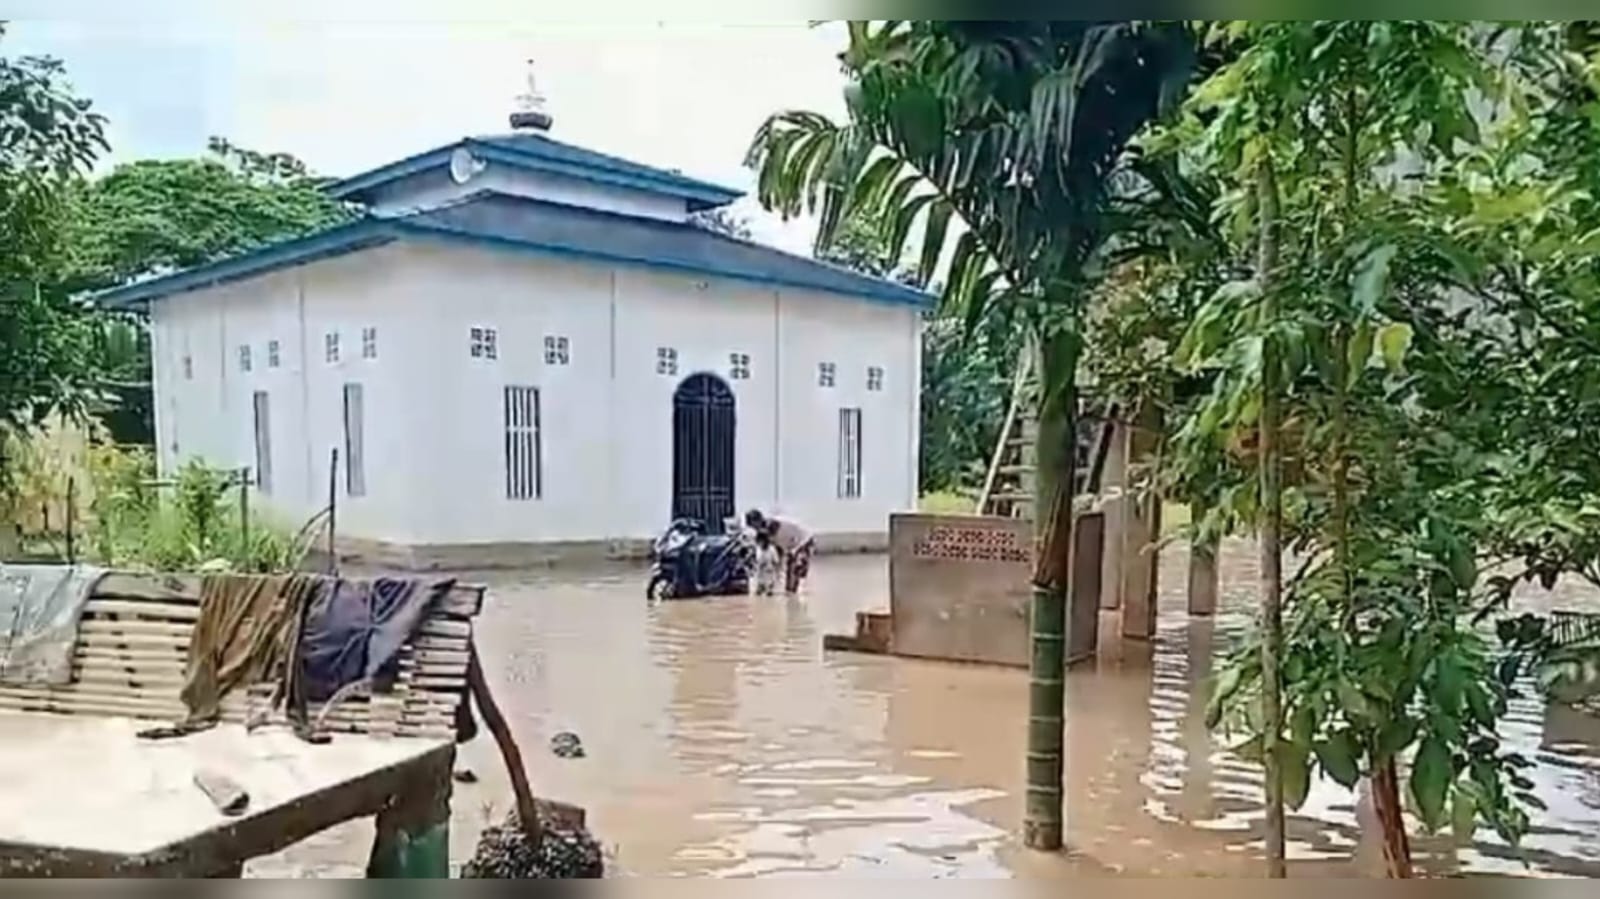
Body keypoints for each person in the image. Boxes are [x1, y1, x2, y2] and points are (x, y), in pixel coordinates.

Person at [745, 509, 815, 595]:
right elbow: (777, 548)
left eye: (753, 525)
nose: (753, 528)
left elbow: (772, 532)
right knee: (790, 568)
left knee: (796, 566)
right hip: (790, 545)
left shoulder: (771, 524)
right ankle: (790, 592)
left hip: (804, 540)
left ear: (758, 520)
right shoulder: (765, 532)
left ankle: (792, 591)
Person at [750, 531, 780, 597]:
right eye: (759, 541)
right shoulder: (758, 549)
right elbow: (756, 560)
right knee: (758, 593)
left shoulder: (772, 549)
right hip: (760, 574)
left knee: (769, 593)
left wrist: (777, 574)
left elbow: (776, 562)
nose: (761, 543)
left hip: (769, 573)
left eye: (762, 540)